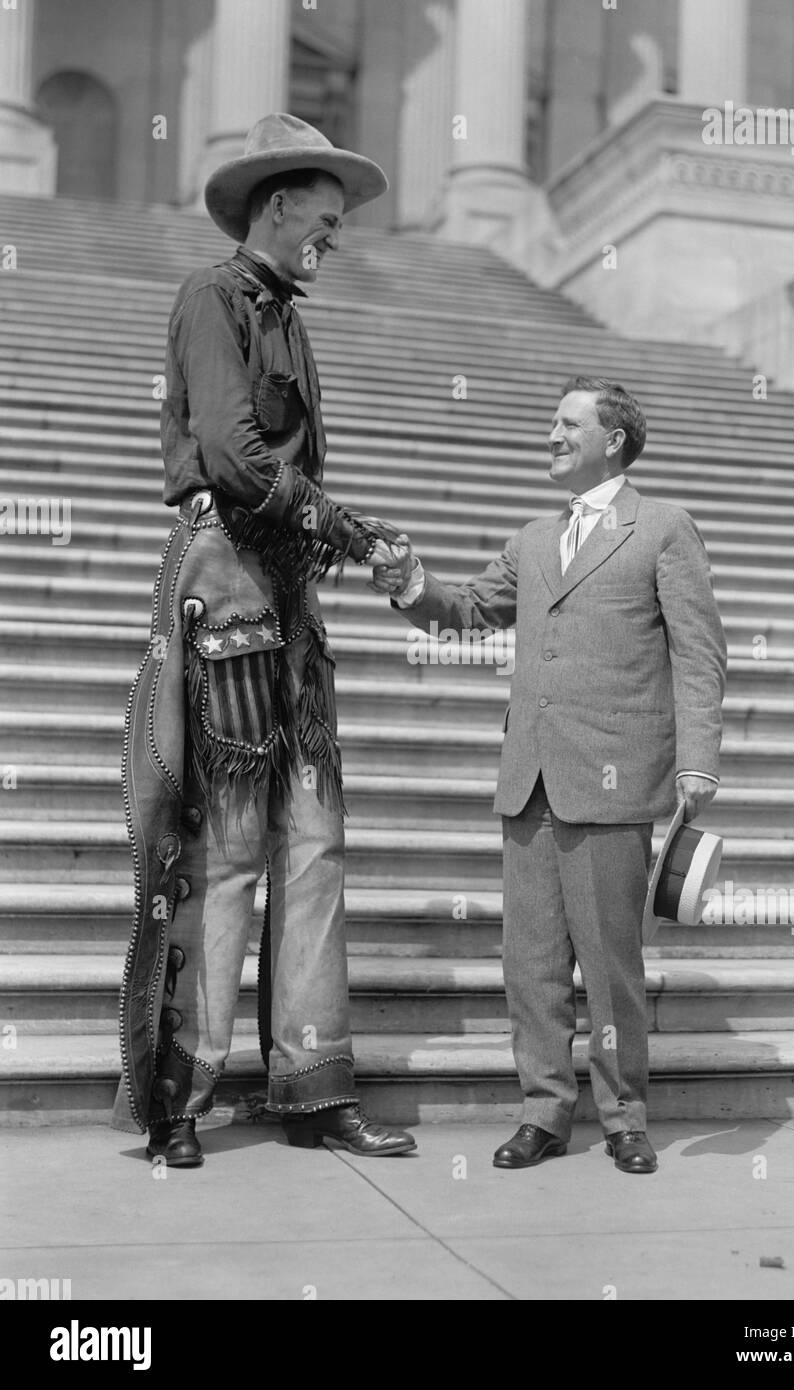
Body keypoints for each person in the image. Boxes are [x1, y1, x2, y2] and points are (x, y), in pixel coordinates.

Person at [112, 114, 416, 1165]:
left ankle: (316, 1084)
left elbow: (276, 470)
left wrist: (343, 526)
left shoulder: (288, 314)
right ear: (276, 205)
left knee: (314, 846)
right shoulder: (212, 297)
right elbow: (235, 457)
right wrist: (334, 520)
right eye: (324, 220)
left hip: (286, 598)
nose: (334, 238)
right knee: (227, 851)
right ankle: (179, 1101)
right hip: (228, 588)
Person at [375, 379, 727, 1174]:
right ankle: (542, 1111)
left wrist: (697, 755)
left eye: (567, 424)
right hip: (529, 776)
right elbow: (465, 610)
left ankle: (623, 1115)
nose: (550, 434)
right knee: (528, 962)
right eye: (551, 423)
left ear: (613, 439)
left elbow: (698, 650)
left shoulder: (664, 528)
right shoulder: (534, 538)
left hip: (613, 777)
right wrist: (407, 578)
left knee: (609, 966)